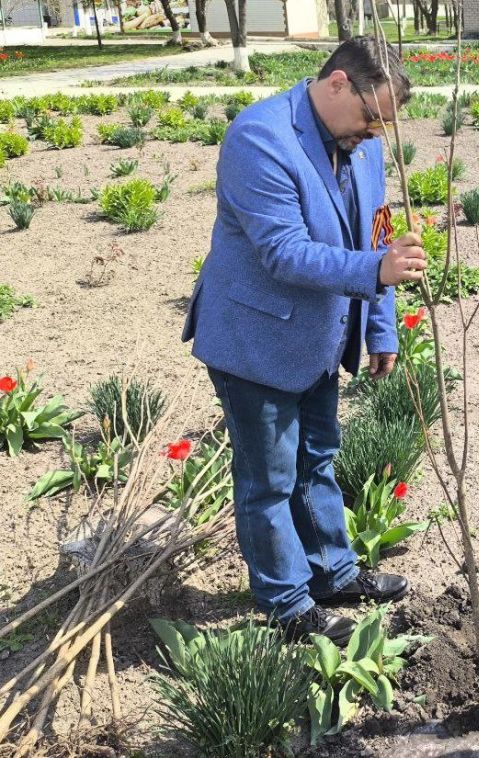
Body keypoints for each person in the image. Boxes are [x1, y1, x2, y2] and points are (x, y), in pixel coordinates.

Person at [182, 37, 427, 645]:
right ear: (339, 82)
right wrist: (374, 273)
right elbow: (283, 252)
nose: (375, 134)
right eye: (373, 117)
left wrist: (379, 323)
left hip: (320, 338)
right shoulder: (259, 138)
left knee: (316, 460)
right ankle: (287, 603)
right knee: (267, 479)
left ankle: (332, 572)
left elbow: (378, 233)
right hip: (255, 341)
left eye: (384, 125)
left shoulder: (364, 148)